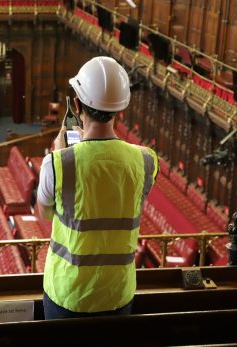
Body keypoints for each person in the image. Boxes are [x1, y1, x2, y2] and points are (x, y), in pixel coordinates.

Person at [37, 56, 159, 319]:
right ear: (119, 110)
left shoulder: (57, 164)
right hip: (118, 294)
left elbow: (45, 214)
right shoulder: (146, 160)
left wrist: (63, 152)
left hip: (67, 295)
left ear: (77, 105)